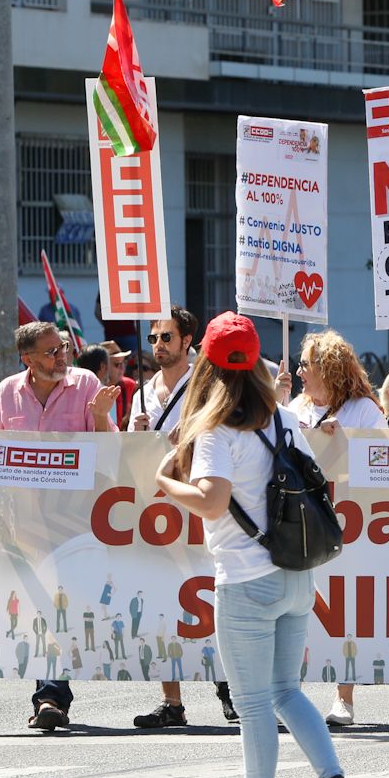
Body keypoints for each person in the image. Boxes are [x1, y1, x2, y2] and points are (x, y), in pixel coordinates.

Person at [154, 311, 360, 778]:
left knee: (251, 704)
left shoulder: (216, 428)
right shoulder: (285, 419)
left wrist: (166, 481)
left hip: (245, 580)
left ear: (207, 365)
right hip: (296, 575)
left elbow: (213, 500)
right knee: (286, 692)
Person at [0, 320, 118, 731]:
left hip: (74, 523)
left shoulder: (86, 385)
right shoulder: (6, 393)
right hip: (23, 525)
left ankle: (50, 695)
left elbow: (110, 455)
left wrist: (101, 418)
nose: (62, 356)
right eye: (51, 352)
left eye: (64, 347)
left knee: (60, 605)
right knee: (41, 607)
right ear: (27, 360)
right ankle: (51, 696)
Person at [125, 306, 237, 728]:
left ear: (187, 341)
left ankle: (229, 690)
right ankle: (171, 702)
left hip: (199, 504)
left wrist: (191, 430)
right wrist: (130, 431)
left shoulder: (204, 387)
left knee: (209, 599)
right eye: (154, 338)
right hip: (154, 510)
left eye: (166, 337)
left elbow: (225, 430)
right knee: (160, 602)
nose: (158, 346)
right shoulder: (143, 390)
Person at [286, 330, 385, 727]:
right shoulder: (296, 408)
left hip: (351, 524)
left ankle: (344, 697)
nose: (299, 372)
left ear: (327, 368)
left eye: (306, 365)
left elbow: (381, 463)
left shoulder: (364, 411)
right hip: (302, 523)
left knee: (343, 609)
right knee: (298, 607)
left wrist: (342, 444)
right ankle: (289, 693)